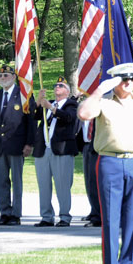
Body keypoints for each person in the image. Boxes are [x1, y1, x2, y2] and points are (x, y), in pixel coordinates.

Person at [78, 62, 133, 264]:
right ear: (115, 82)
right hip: (109, 161)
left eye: (131, 79)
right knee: (111, 217)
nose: (129, 82)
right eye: (124, 79)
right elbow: (84, 114)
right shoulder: (103, 103)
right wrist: (100, 90)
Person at [0, 64, 35, 225]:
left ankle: (15, 214)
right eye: (1, 76)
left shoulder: (24, 95)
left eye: (6, 76)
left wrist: (29, 143)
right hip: (0, 146)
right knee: (1, 181)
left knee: (16, 181)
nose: (3, 78)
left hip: (17, 145)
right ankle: (4, 212)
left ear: (14, 78)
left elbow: (30, 123)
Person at [33, 77, 79, 227]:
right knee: (44, 185)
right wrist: (39, 101)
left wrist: (52, 108)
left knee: (62, 185)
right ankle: (46, 216)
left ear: (67, 91)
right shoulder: (49, 103)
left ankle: (65, 216)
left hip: (62, 150)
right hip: (43, 149)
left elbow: (68, 118)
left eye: (61, 85)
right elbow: (34, 115)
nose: (57, 87)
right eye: (55, 85)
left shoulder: (71, 104)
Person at [77, 118, 101, 227]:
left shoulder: (102, 106)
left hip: (98, 148)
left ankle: (98, 217)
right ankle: (94, 211)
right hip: (86, 145)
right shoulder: (87, 107)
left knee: (96, 182)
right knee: (89, 182)